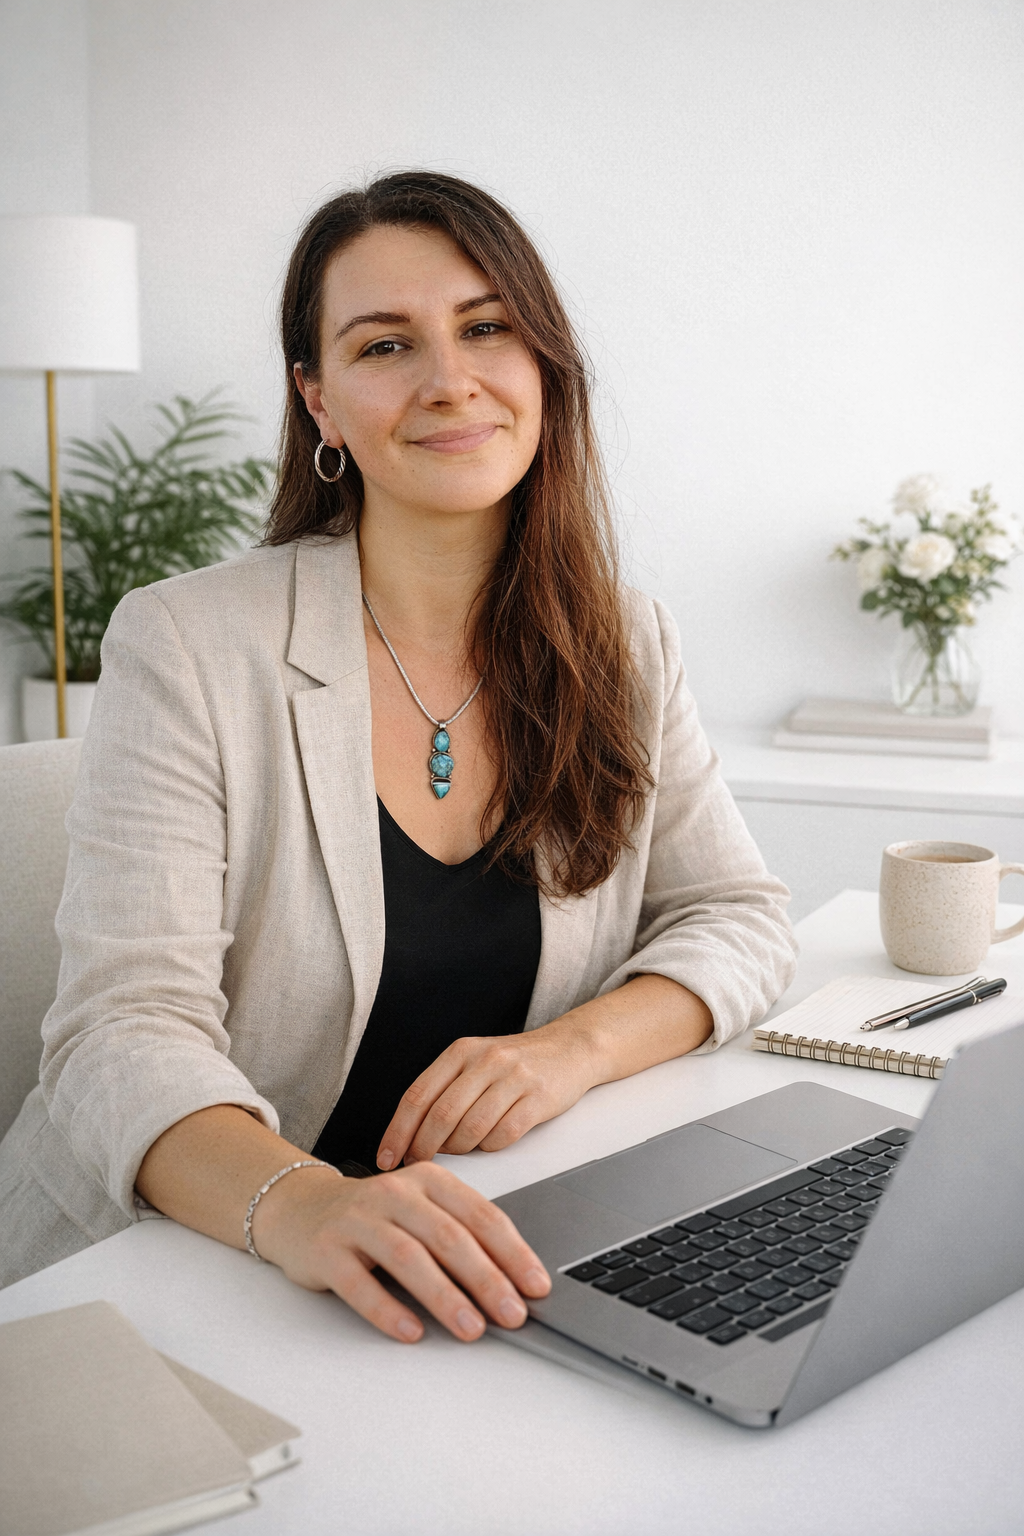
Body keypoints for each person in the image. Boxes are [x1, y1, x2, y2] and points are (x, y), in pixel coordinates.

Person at [0, 173, 797, 1343]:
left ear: (544, 365)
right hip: (188, 1266)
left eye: (486, 328)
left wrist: (568, 1052)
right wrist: (309, 1204)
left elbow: (736, 915)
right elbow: (119, 1037)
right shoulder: (186, 642)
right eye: (385, 345)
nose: (449, 380)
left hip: (490, 1252)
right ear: (318, 401)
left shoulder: (624, 642)